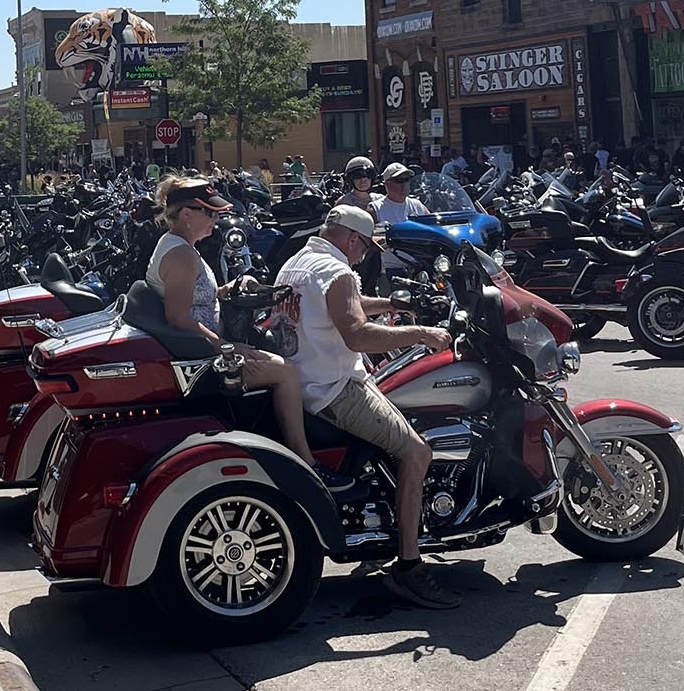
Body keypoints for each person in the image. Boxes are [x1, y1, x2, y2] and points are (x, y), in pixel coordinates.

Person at [275, 205, 458, 608]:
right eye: (365, 247)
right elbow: (356, 333)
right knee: (417, 451)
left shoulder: (297, 263)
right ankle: (409, 565)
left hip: (304, 381)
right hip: (335, 389)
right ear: (352, 239)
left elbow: (346, 307)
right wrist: (423, 332)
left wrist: (395, 304)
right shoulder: (336, 271)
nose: (365, 255)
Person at [147, 177, 351, 491]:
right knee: (286, 371)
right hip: (202, 360)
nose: (215, 220)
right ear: (186, 214)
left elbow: (199, 299)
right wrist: (226, 345)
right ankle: (307, 463)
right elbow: (178, 318)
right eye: (209, 214)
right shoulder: (182, 257)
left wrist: (234, 287)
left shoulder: (181, 248)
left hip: (203, 349)